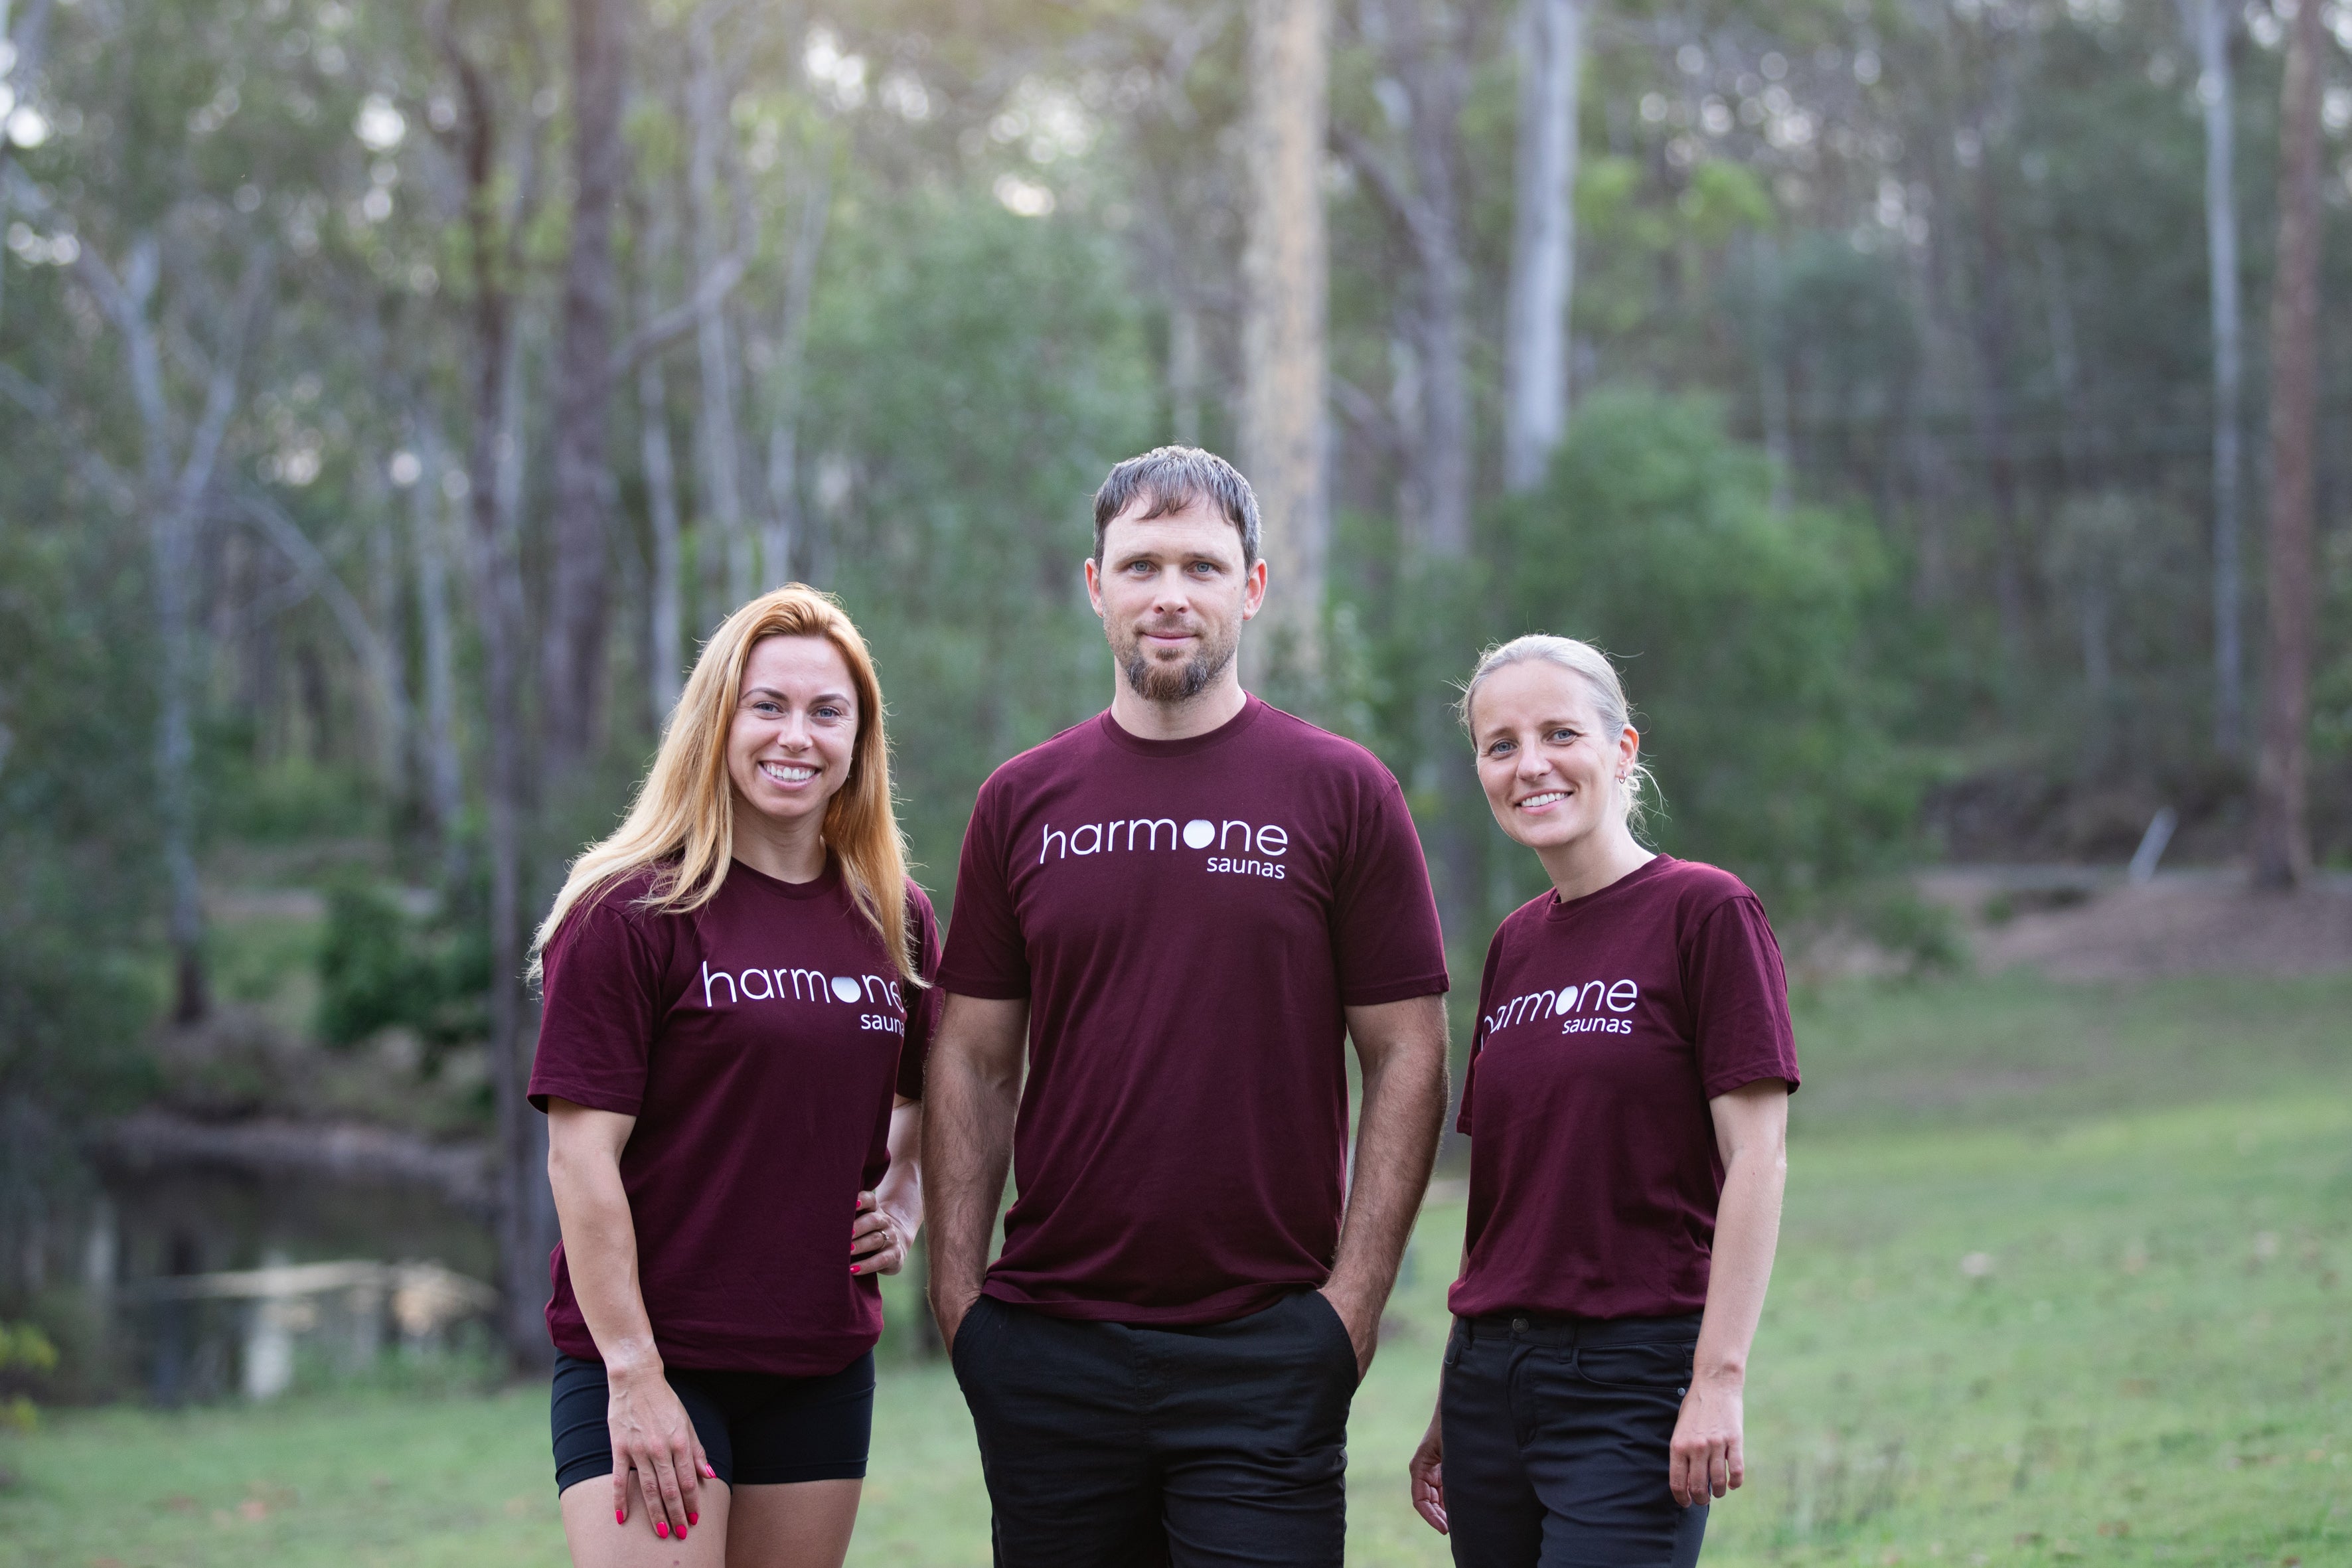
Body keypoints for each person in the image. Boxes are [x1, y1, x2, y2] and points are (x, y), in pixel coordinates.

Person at [923, 446, 1453, 1566]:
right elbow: (972, 1057)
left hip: (1268, 1348)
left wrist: (1350, 1309)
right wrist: (961, 1303)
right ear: (1096, 584)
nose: (1172, 594)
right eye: (1143, 564)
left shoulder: (1343, 792)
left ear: (1252, 587)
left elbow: (1407, 1054)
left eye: (1204, 566)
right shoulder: (1021, 801)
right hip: (1048, 1349)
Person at [527, 586, 940, 1568]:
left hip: (818, 1361)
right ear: (718, 718)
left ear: (859, 738)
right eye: (768, 705)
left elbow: (930, 1082)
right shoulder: (632, 910)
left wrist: (906, 1194)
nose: (795, 736)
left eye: (826, 711)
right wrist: (634, 1372)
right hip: (652, 1357)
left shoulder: (897, 917)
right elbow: (580, 1160)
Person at [1409, 634, 1798, 1568]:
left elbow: (1758, 1158)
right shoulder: (1513, 946)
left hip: (1633, 1379)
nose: (1529, 764)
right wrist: (1447, 1399)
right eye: (1500, 745)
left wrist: (1718, 1380)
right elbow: (1510, 1193)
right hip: (1488, 1384)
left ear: (1622, 749)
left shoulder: (1706, 914)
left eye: (1558, 733)